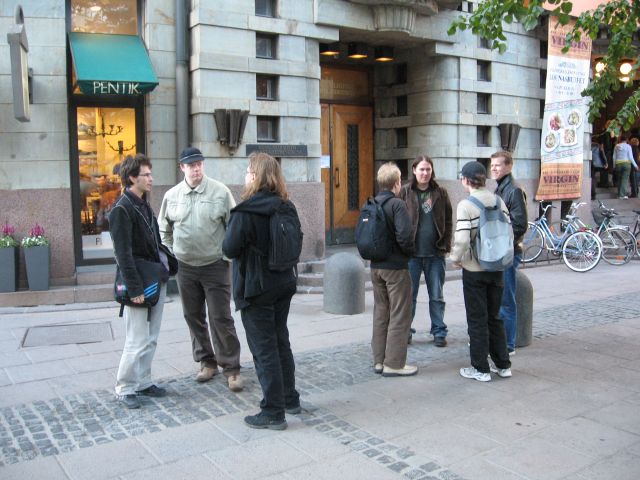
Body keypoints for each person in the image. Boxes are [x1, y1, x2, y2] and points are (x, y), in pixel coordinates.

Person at [222, 152, 300, 431]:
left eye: (247, 171)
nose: (245, 176)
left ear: (255, 176)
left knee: (264, 349)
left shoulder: (247, 211)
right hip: (283, 283)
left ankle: (273, 411)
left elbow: (229, 249)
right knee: (280, 342)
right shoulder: (286, 207)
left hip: (256, 288)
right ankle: (290, 398)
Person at [158, 147, 243, 392]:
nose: (196, 169)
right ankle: (207, 361)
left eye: (199, 164)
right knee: (193, 316)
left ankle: (232, 367)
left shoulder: (220, 191)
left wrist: (226, 256)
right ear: (181, 168)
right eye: (191, 165)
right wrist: (173, 254)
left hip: (215, 265)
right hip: (186, 267)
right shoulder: (172, 195)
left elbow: (233, 227)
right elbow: (164, 229)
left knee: (221, 317)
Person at [109, 154, 170, 409]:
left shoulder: (144, 205)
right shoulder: (122, 209)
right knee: (136, 338)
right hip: (138, 282)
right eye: (146, 175)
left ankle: (144, 381)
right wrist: (134, 289)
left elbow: (155, 242)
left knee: (151, 336)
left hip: (154, 278)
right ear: (132, 177)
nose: (151, 179)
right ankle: (125, 387)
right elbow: (122, 255)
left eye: (151, 174)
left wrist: (169, 261)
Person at [450, 161, 512, 382]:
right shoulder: (498, 200)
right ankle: (503, 365)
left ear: (465, 180)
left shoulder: (466, 205)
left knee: (477, 319)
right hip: (497, 267)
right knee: (495, 317)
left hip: (475, 269)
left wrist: (455, 259)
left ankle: (480, 368)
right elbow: (509, 231)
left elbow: (462, 239)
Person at [399, 156, 452, 347]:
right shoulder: (405, 192)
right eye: (421, 169)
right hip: (412, 255)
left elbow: (447, 221)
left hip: (435, 254)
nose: (425, 173)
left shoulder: (440, 192)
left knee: (436, 296)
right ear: (414, 170)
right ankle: (405, 332)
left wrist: (445, 244)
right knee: (409, 297)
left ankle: (439, 331)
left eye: (428, 169)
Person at [369, 162, 416, 377]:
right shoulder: (397, 204)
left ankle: (379, 361)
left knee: (381, 313)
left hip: (376, 266)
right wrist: (408, 253)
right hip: (396, 268)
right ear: (397, 183)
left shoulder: (371, 203)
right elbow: (405, 237)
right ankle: (394, 364)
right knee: (399, 314)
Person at [490, 151, 528, 356]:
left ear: (509, 166)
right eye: (492, 165)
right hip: (501, 251)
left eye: (498, 165)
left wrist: (501, 240)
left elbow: (520, 224)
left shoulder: (513, 189)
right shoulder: (501, 188)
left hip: (508, 252)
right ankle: (501, 341)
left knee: (506, 299)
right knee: (500, 298)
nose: (494, 168)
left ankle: (508, 345)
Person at [613, 135, 639, 199]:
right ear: (626, 140)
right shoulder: (628, 146)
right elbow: (630, 157)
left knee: (619, 179)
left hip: (618, 164)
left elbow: (614, 157)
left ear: (620, 140)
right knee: (624, 180)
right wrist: (635, 165)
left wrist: (614, 165)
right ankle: (622, 195)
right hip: (626, 164)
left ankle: (619, 194)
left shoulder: (616, 146)